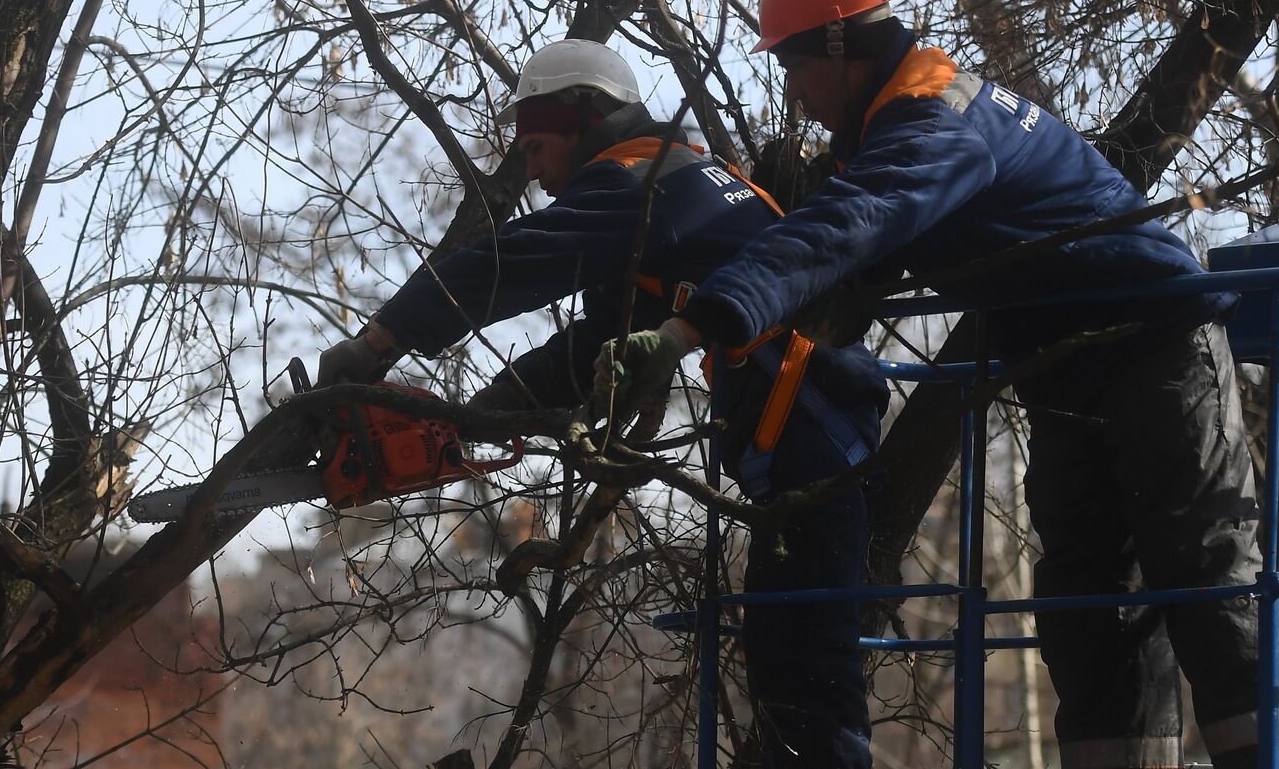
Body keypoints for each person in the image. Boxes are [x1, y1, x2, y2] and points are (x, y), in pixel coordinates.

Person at [604, 0, 1279, 769]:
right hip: (1061, 366)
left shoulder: (934, 120)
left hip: (1158, 344)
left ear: (839, 47)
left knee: (1203, 560)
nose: (795, 96)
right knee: (1090, 596)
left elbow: (847, 226)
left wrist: (691, 327)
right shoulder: (894, 130)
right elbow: (846, 265)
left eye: (795, 69)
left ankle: (1275, 756)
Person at [318, 38, 888, 767]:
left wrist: (378, 342)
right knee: (792, 663)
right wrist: (480, 416)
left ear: (586, 119)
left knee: (806, 672)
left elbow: (512, 262)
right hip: (810, 421)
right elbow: (600, 341)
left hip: (811, 425)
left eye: (537, 147)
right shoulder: (685, 180)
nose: (534, 172)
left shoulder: (636, 182)